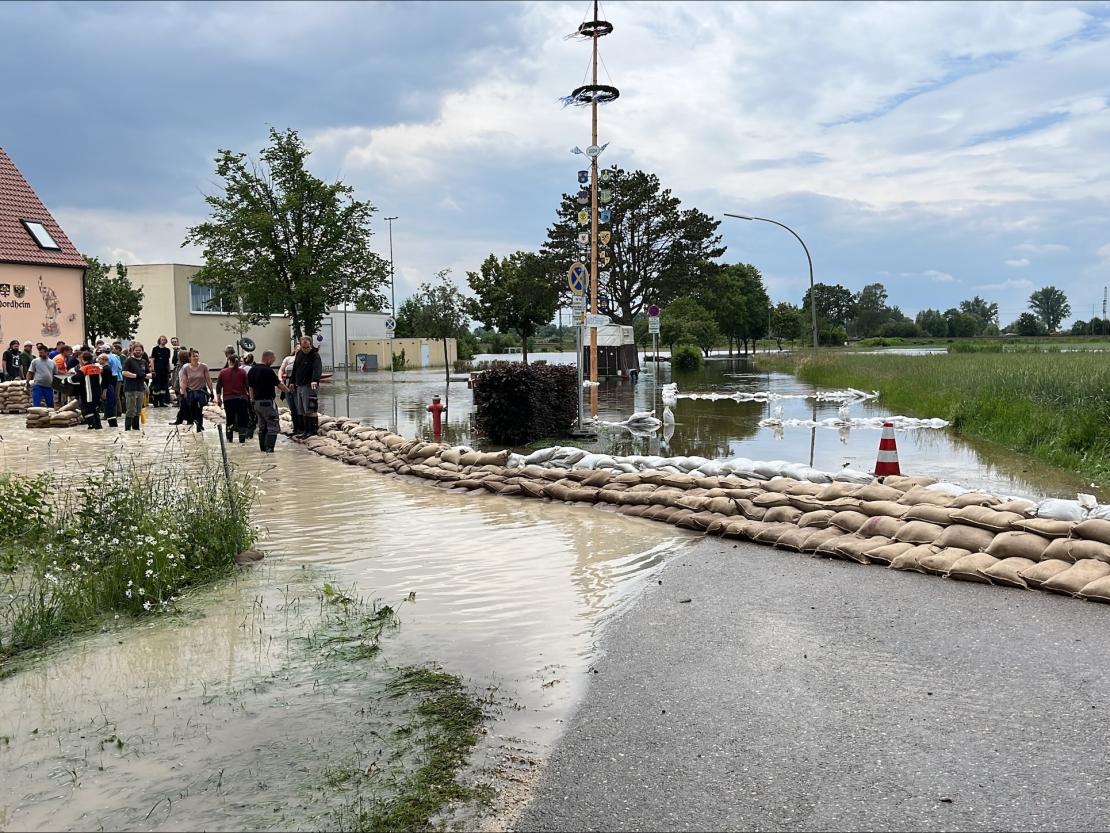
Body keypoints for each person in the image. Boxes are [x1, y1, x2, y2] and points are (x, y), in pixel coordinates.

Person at [247, 350, 286, 453]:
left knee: (262, 426)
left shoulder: (252, 370)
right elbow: (279, 384)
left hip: (257, 403)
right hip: (267, 403)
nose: (273, 362)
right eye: (273, 360)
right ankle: (270, 450)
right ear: (268, 358)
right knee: (272, 425)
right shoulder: (268, 371)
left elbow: (250, 388)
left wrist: (252, 400)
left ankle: (263, 450)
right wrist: (288, 391)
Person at [291, 335, 322, 437]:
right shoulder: (299, 353)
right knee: (302, 409)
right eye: (303, 346)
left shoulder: (314, 355)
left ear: (310, 344)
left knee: (310, 408)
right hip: (300, 385)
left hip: (309, 385)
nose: (305, 349)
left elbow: (317, 368)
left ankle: (312, 431)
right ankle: (305, 430)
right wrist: (292, 381)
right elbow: (295, 368)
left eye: (307, 346)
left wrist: (314, 380)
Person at [216, 355, 250, 443]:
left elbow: (218, 387)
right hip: (242, 399)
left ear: (229, 361)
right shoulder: (242, 372)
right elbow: (247, 386)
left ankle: (229, 439)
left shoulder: (223, 372)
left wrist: (219, 399)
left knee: (230, 419)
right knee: (242, 419)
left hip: (228, 399)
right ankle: (242, 439)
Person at [178, 349, 213, 431]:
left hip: (201, 391)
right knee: (192, 410)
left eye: (197, 356)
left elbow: (208, 379)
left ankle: (199, 427)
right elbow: (183, 381)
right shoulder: (186, 368)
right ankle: (195, 422)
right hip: (191, 391)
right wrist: (183, 392)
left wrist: (211, 391)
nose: (196, 358)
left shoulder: (203, 366)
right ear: (190, 358)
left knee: (199, 409)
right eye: (194, 356)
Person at [121, 342, 149, 431]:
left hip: (140, 388)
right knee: (130, 410)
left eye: (140, 350)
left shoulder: (144, 362)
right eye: (136, 350)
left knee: (138, 410)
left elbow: (149, 373)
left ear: (143, 351)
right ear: (132, 351)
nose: (138, 352)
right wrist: (136, 375)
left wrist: (146, 375)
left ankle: (136, 429)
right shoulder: (128, 360)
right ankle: (127, 429)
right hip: (130, 389)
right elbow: (124, 372)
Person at [75, 351, 103, 429]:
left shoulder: (83, 368)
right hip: (97, 393)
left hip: (87, 394)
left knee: (88, 410)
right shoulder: (97, 368)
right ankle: (98, 425)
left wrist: (65, 381)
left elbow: (76, 378)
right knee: (95, 409)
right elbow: (100, 380)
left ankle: (91, 425)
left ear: (83, 359)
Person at [279, 341, 302, 434]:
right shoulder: (288, 359)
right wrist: (280, 379)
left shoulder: (303, 359)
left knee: (298, 406)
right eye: (298, 347)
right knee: (292, 406)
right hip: (288, 383)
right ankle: (295, 428)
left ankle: (301, 428)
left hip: (298, 384)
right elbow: (281, 369)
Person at [97, 351, 118, 428]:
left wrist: (104, 392)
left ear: (104, 359)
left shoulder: (106, 369)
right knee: (109, 406)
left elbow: (106, 382)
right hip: (109, 387)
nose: (98, 361)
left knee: (109, 406)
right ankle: (112, 423)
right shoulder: (106, 368)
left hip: (107, 389)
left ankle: (112, 424)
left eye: (99, 359)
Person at [150, 336, 172, 407]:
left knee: (163, 386)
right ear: (159, 341)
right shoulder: (155, 349)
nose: (163, 341)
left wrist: (168, 370)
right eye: (162, 340)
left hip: (164, 370)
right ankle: (155, 402)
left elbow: (168, 361)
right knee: (156, 385)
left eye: (165, 340)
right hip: (157, 369)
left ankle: (162, 402)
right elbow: (152, 360)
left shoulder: (167, 350)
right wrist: (153, 369)